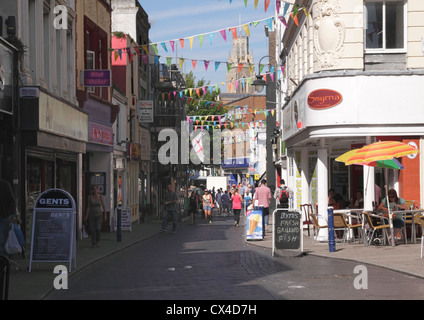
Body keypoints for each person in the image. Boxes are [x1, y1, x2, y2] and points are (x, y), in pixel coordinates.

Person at [0, 179, 18, 256]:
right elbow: (12, 201)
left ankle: (3, 261)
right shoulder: (5, 184)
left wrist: (13, 214)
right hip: (4, 215)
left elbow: (12, 201)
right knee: (2, 239)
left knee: (2, 239)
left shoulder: (4, 184)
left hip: (4, 216)